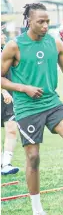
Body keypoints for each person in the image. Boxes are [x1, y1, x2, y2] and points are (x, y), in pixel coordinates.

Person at [1, 3, 63, 215]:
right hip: (27, 108)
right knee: (33, 158)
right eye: (40, 21)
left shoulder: (55, 43)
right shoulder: (14, 46)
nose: (45, 25)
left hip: (51, 102)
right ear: (28, 22)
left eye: (48, 21)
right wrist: (24, 88)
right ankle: (37, 211)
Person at [1, 30, 19, 175]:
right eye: (1, 33)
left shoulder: (5, 51)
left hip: (9, 99)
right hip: (4, 94)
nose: (4, 36)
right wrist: (3, 91)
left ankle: (6, 163)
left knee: (12, 129)